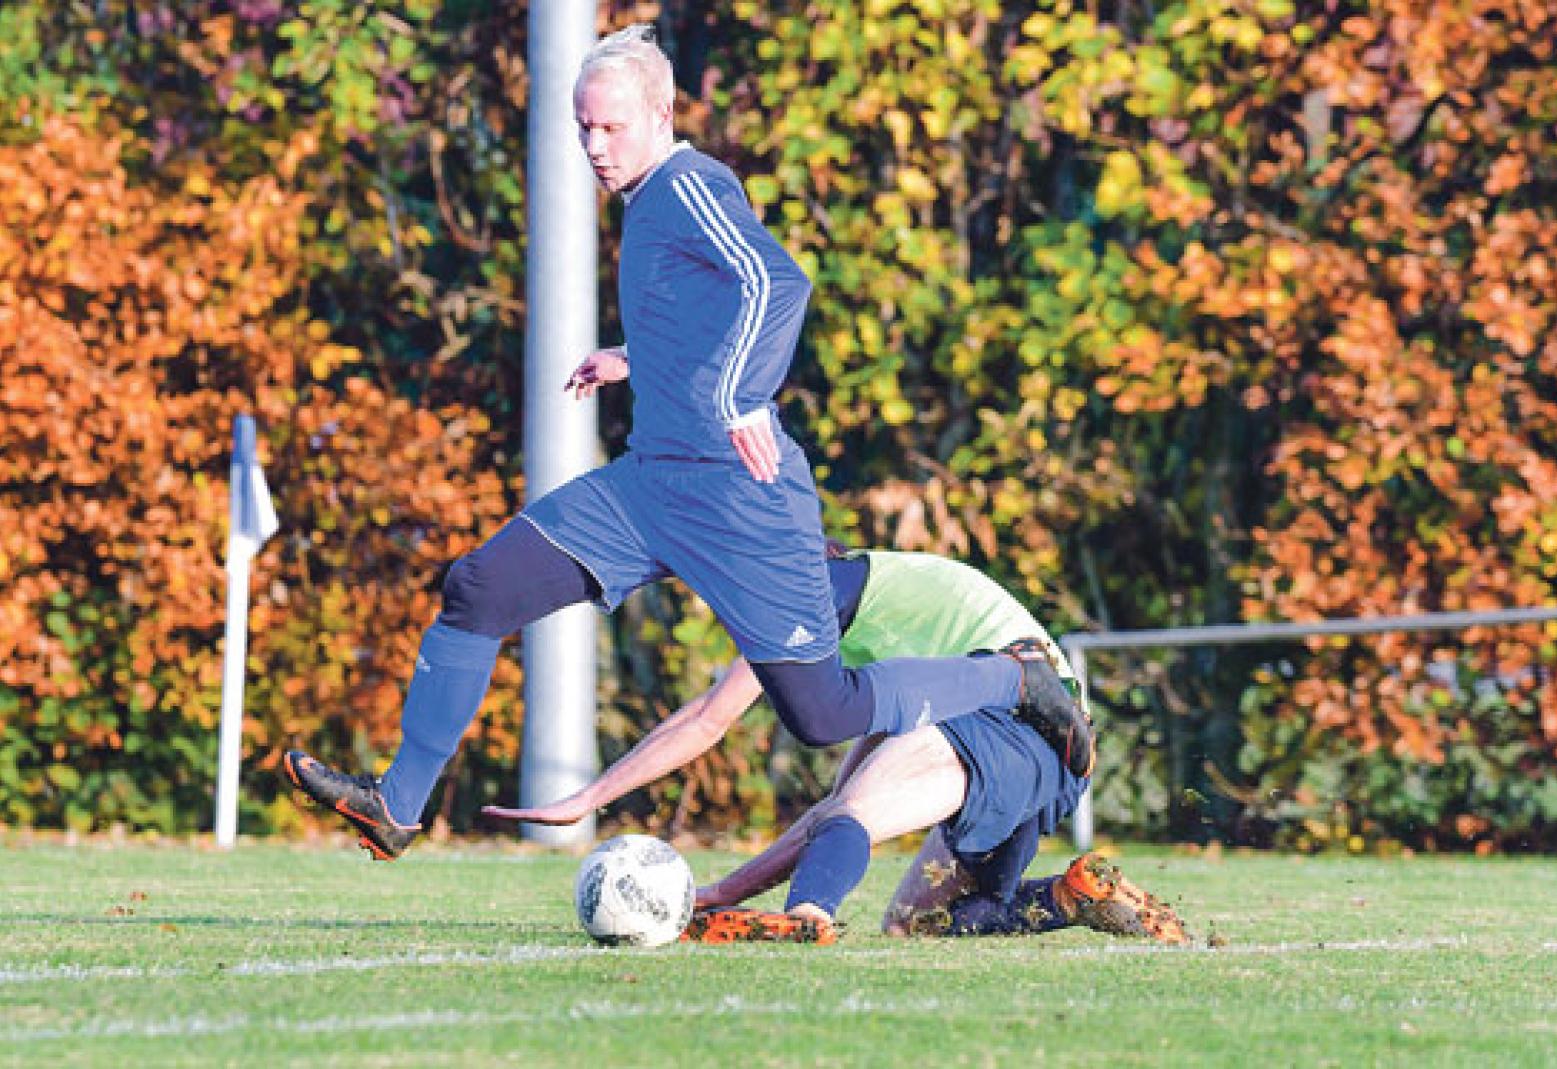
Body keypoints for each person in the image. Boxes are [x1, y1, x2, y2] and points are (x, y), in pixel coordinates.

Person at [282, 24, 1092, 860]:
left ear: (662, 115)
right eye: (583, 126)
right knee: (478, 587)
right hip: (649, 488)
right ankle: (398, 803)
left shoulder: (688, 183)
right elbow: (707, 309)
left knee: (825, 711)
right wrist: (634, 358)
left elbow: (776, 282)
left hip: (742, 497)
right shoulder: (646, 200)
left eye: (612, 126)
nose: (595, 146)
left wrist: (742, 397)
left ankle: (1013, 677)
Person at [486, 545, 1189, 946]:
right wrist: (725, 892)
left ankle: (808, 918)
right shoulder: (885, 642)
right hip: (1048, 757)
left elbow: (707, 718)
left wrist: (590, 796)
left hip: (1018, 718)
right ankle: (1075, 895)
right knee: (919, 923)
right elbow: (832, 815)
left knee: (858, 812)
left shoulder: (819, 593)